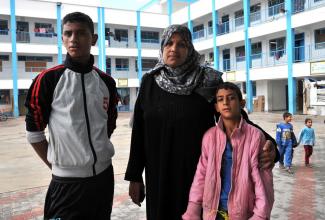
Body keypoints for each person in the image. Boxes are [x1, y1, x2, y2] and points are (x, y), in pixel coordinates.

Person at [124, 24, 278, 220]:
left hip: (200, 175)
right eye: (169, 43)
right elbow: (139, 131)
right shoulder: (149, 82)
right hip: (159, 174)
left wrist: (270, 143)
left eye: (181, 45)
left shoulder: (208, 81)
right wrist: (135, 176)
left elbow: (236, 118)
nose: (174, 49)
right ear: (162, 48)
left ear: (190, 50)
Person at [24, 12, 118, 219]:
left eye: (81, 33)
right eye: (68, 34)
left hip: (104, 178)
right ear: (62, 38)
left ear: (93, 39)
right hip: (66, 183)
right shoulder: (48, 79)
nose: (74, 39)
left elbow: (108, 126)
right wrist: (57, 164)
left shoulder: (106, 82)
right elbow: (34, 133)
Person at [182, 82, 274, 220]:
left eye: (231, 98)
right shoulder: (209, 137)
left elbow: (263, 182)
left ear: (241, 103)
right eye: (220, 99)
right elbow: (201, 175)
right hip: (213, 212)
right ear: (216, 107)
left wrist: (260, 215)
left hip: (242, 213)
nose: (225, 102)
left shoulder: (255, 136)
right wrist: (193, 208)